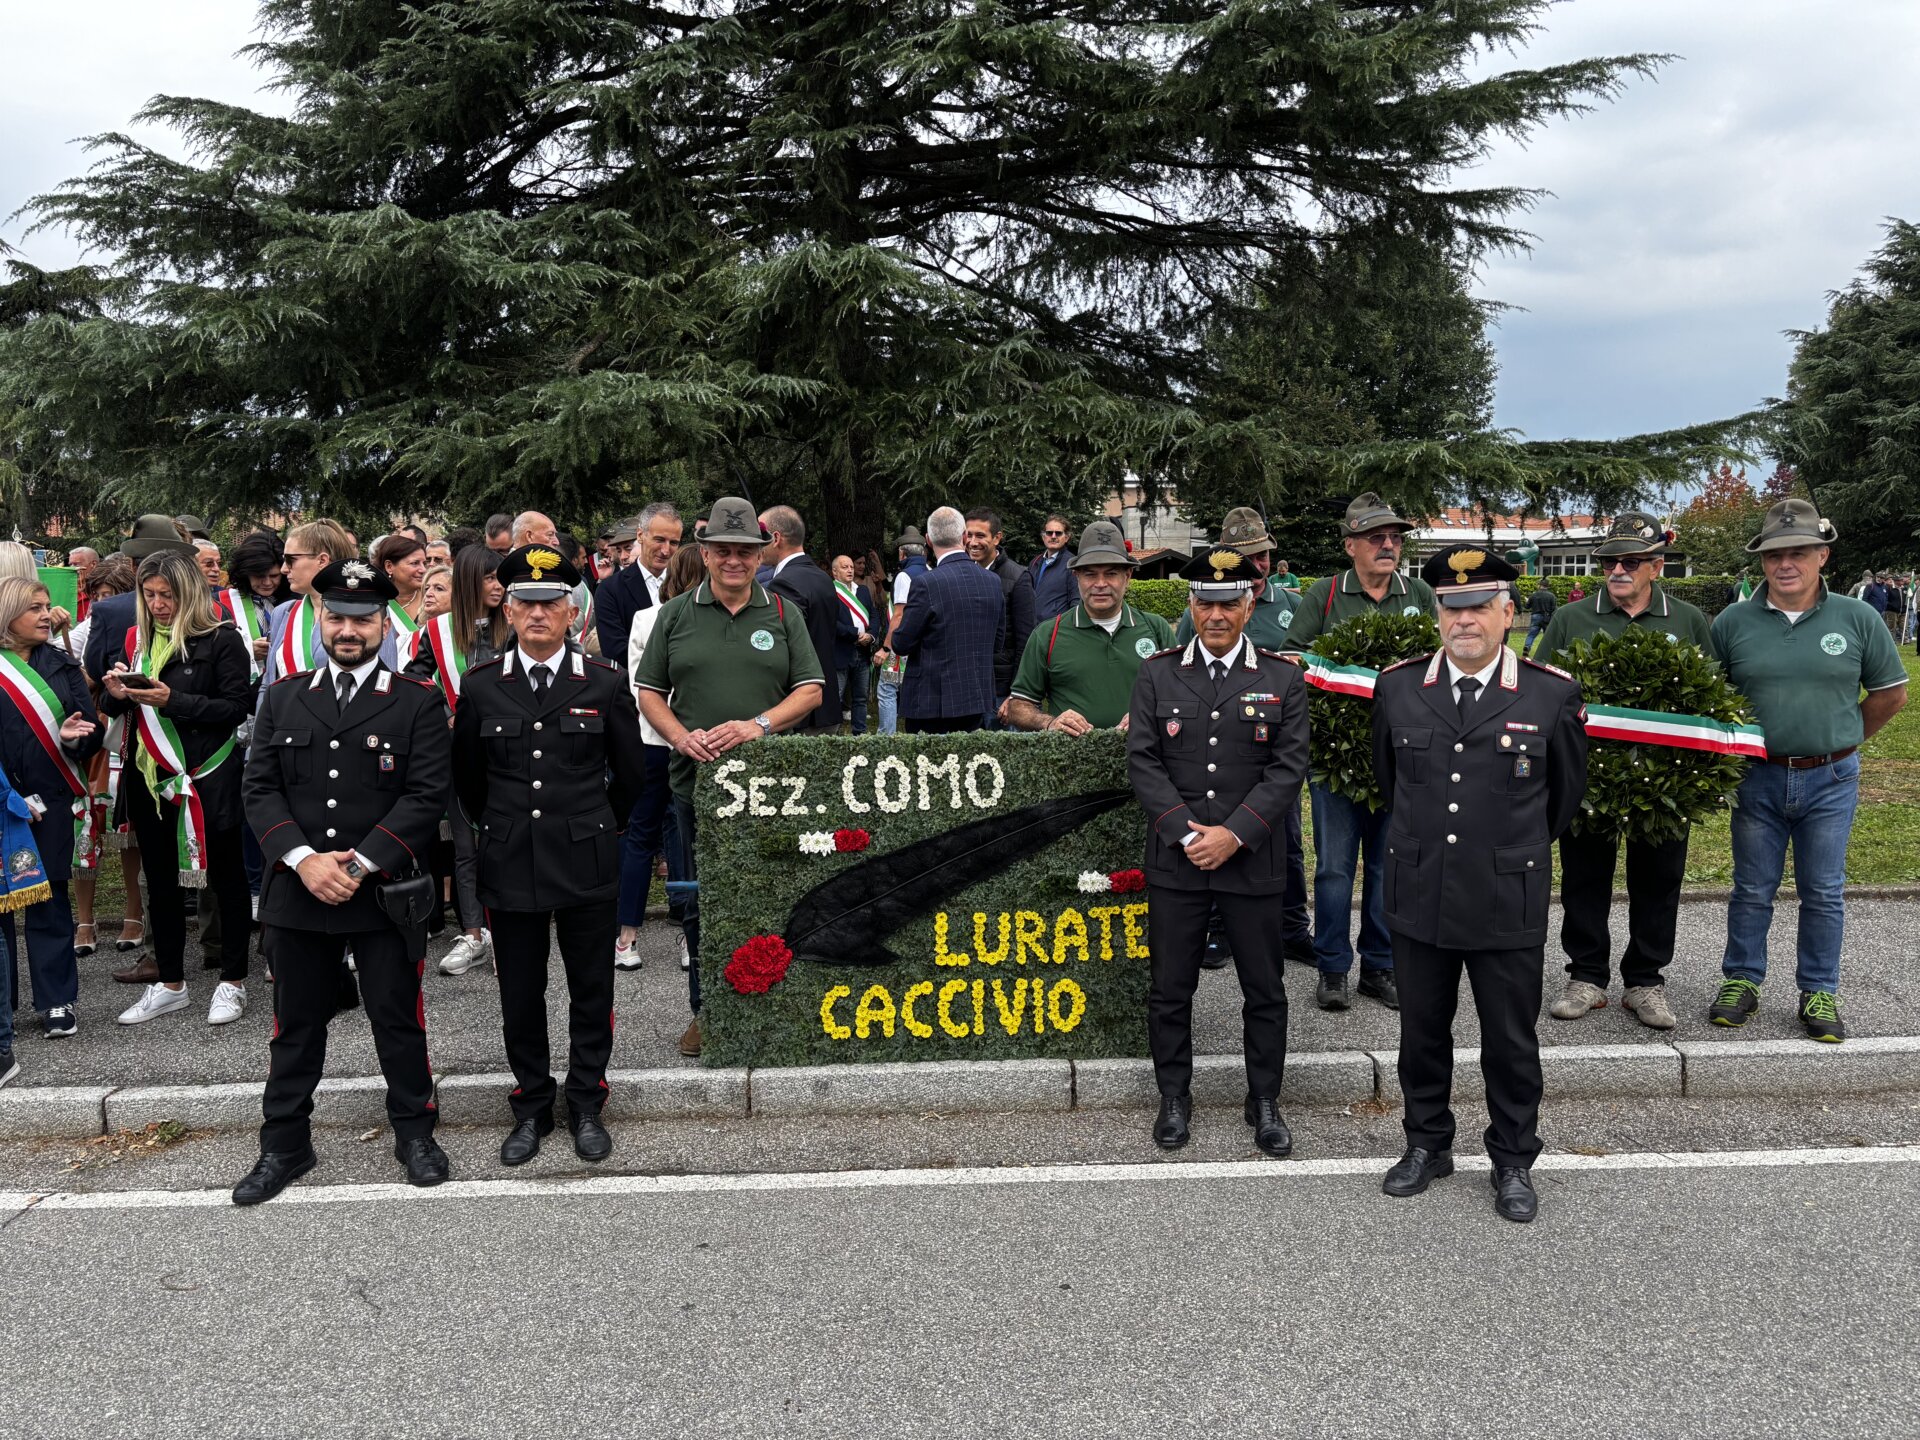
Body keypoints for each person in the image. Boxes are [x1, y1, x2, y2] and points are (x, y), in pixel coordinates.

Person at [1371, 547, 1588, 1224]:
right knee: (1422, 1033)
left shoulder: (1549, 693)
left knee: (1510, 1040)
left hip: (1505, 895)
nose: (1463, 620)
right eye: (1450, 607)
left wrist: (1506, 852)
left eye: (1477, 607)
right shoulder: (1399, 688)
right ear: (1437, 613)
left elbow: (1564, 800)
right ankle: (1426, 1144)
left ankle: (1514, 1158)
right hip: (1420, 890)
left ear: (1507, 612)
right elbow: (1390, 783)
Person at [232, 560, 454, 1204]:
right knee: (295, 1024)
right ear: (320, 620)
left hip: (382, 892)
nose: (349, 628)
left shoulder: (416, 701)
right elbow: (261, 788)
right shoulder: (283, 695)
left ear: (385, 624)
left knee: (397, 1019)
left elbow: (425, 796)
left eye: (363, 618)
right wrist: (304, 860)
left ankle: (415, 1133)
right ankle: (284, 1145)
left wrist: (358, 862)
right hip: (299, 890)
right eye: (337, 616)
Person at [453, 545, 646, 1166]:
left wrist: (596, 826)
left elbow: (632, 776)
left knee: (592, 990)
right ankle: (532, 1105)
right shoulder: (482, 688)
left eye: (550, 604)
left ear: (572, 614)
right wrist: (504, 828)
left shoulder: (604, 681)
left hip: (586, 857)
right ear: (507, 613)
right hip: (511, 859)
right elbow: (468, 781)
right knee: (522, 995)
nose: (538, 614)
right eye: (525, 604)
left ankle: (587, 1101)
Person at [1126, 546, 1310, 1157]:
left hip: (1251, 859)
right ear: (1191, 604)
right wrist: (1187, 833)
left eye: (1229, 602)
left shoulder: (1283, 678)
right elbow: (1145, 763)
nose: (1216, 614)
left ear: (1249, 602)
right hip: (1178, 861)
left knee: (1264, 988)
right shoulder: (1158, 673)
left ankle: (1265, 1101)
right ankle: (1174, 1098)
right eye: (1205, 601)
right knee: (1171, 988)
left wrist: (1234, 833)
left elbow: (1288, 770)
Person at [1708, 499, 1908, 1043]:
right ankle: (1741, 981)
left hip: (1831, 780)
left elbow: (1890, 693)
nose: (1785, 564)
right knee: (1751, 887)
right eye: (1775, 555)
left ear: (1823, 556)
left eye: (1798, 552)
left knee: (1822, 890)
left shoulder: (1857, 617)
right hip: (1757, 776)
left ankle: (1818, 990)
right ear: (1763, 563)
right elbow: (1704, 695)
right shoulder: (1733, 622)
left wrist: (1840, 739)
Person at [634, 497, 826, 1061]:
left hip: (775, 789)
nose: (734, 560)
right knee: (700, 904)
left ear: (761, 554)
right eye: (723, 550)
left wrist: (758, 725)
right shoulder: (673, 615)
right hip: (698, 784)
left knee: (779, 896)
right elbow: (648, 692)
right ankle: (707, 1012)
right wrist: (679, 737)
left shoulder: (785, 613)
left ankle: (780, 1009)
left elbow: (811, 690)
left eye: (745, 551)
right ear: (708, 553)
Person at [1536, 513, 1713, 1030]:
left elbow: (1709, 697)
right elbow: (1546, 690)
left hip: (1667, 781)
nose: (1618, 568)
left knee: (1660, 877)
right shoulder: (1572, 619)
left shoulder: (1687, 620)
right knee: (1585, 877)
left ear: (1656, 566)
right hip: (1589, 777)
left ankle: (1646, 981)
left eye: (1631, 561)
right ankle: (1586, 975)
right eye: (1610, 560)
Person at [1281, 493, 1437, 1012]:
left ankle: (1379, 965)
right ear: (1351, 545)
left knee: (1389, 867)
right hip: (1334, 759)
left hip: (1402, 758)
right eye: (1376, 537)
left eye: (1394, 537)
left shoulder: (1419, 592)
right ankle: (1331, 967)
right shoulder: (1324, 595)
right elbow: (1293, 660)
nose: (1388, 544)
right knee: (1333, 868)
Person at [99, 549, 257, 1027]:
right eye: (149, 595)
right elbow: (115, 709)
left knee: (226, 879)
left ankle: (233, 980)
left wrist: (175, 700)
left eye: (167, 594)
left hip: (207, 774)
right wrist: (116, 691)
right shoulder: (141, 640)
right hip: (151, 778)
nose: (158, 604)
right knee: (162, 884)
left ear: (189, 592)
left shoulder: (223, 639)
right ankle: (170, 982)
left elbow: (236, 707)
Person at [1173, 508, 1313, 969]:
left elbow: (1312, 665)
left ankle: (1292, 928)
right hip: (1215, 745)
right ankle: (1218, 931)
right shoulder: (1195, 609)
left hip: (1269, 745)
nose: (1260, 563)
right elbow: (1179, 669)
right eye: (1249, 555)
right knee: (1211, 831)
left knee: (1286, 841)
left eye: (1264, 554)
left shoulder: (1290, 604)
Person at [0, 577, 103, 1040]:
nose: (47, 614)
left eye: (47, 606)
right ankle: (5, 1003)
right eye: (33, 608)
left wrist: (77, 737)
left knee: (49, 901)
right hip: (3, 805)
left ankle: (56, 1001)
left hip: (52, 803)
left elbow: (93, 732)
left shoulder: (61, 664)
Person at [406, 544, 505, 977]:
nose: (499, 586)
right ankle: (473, 934)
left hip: (508, 753)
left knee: (506, 844)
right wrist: (445, 714)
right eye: (489, 578)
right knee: (465, 849)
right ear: (468, 582)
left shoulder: (516, 624)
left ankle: (507, 929)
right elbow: (412, 681)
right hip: (456, 756)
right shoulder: (439, 630)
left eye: (501, 577)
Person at [626, 543, 707, 1051]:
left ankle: (630, 934)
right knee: (673, 837)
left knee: (648, 835)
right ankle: (680, 930)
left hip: (660, 740)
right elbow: (645, 683)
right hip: (674, 741)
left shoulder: (645, 616)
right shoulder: (656, 619)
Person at [1006, 520, 1172, 732]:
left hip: (1142, 759)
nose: (1100, 584)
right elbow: (1018, 705)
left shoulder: (1157, 629)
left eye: (1111, 573)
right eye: (1090, 574)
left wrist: (1152, 713)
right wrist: (1049, 722)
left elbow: (1183, 695)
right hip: (1072, 761)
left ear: (1127, 576)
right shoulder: (1048, 634)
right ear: (1076, 576)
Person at [69, 556, 146, 963]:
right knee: (87, 823)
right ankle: (84, 918)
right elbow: (72, 668)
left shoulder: (144, 618)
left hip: (126, 730)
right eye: (98, 596)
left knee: (126, 824)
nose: (104, 603)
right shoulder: (84, 627)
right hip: (91, 731)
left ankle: (134, 914)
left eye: (111, 595)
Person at [891, 507, 1004, 734]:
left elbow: (902, 643)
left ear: (928, 541)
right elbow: (997, 642)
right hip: (976, 696)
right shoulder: (992, 581)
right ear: (964, 537)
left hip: (932, 702)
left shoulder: (926, 584)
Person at [265, 519, 400, 683]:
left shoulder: (368, 613)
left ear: (322, 560)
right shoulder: (283, 612)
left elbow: (384, 682)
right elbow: (269, 683)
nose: (284, 569)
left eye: (290, 559)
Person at [760, 505, 847, 732]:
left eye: (761, 536)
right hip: (828, 700)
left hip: (800, 709)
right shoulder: (822, 578)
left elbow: (784, 645)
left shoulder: (784, 582)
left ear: (776, 538)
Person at [963, 508, 1037, 725]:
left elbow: (1027, 642)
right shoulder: (963, 575)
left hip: (1000, 691)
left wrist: (1016, 695)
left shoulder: (1018, 578)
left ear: (997, 538)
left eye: (980, 535)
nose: (973, 542)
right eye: (968, 535)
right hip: (968, 689)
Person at [595, 504, 682, 670]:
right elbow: (616, 652)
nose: (666, 550)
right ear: (640, 535)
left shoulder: (688, 584)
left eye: (673, 543)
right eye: (659, 540)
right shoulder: (610, 590)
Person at [873, 529, 927, 735]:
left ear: (902, 554)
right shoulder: (930, 570)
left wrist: (886, 647)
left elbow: (899, 615)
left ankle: (886, 737)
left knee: (887, 690)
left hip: (900, 643)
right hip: (922, 642)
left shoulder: (904, 575)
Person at [221, 534, 288, 681]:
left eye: (274, 575)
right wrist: (247, 651)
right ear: (245, 573)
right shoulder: (220, 604)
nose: (267, 582)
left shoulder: (295, 602)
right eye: (259, 576)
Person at [829, 554, 877, 735]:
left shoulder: (863, 591)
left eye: (851, 566)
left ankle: (860, 734)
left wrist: (871, 636)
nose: (850, 570)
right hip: (842, 650)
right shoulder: (830, 591)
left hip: (862, 651)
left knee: (860, 698)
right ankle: (835, 736)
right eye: (844, 567)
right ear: (835, 571)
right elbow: (831, 622)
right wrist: (855, 634)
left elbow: (874, 615)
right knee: (837, 696)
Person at [373, 531, 430, 642]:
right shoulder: (373, 602)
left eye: (424, 563)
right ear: (389, 566)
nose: (423, 570)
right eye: (415, 563)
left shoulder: (431, 599)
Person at [1028, 514, 1077, 622]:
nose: (1053, 536)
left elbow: (1076, 601)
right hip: (1032, 628)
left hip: (1056, 630)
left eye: (1058, 533)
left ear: (1066, 537)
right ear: (1043, 536)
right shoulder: (1035, 562)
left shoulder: (1072, 564)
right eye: (1049, 533)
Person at [1521, 581, 1557, 658]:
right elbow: (1554, 608)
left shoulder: (1533, 595)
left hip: (1535, 616)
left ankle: (1527, 647)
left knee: (1531, 634)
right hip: (1547, 617)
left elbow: (1527, 607)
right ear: (1547, 586)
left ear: (1540, 586)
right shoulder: (1551, 596)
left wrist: (1527, 601)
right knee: (1547, 635)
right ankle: (1547, 651)